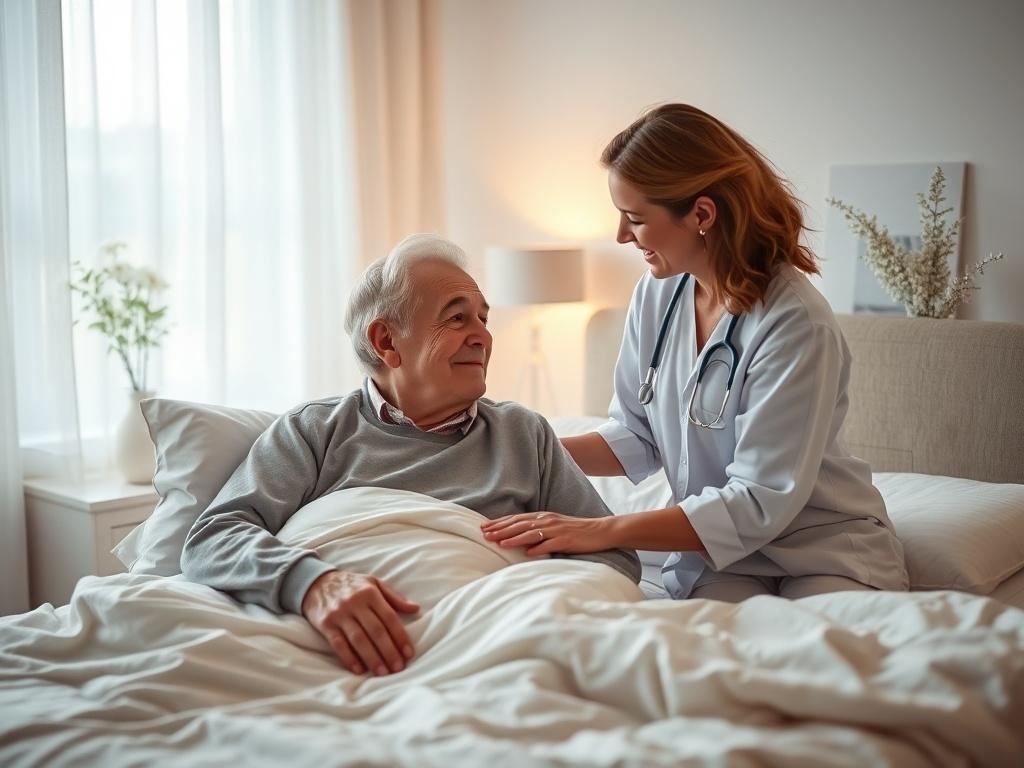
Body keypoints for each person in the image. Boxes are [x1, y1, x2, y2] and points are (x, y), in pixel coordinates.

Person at [481, 104, 909, 602]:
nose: (621, 235)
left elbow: (757, 498)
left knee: (805, 661)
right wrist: (519, 453)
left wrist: (601, 529)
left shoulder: (796, 323)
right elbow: (637, 436)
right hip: (723, 554)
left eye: (635, 218)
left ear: (702, 215)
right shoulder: (657, 293)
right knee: (699, 661)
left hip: (822, 547)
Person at [180, 234, 640, 677]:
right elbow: (213, 539)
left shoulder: (524, 434)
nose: (483, 337)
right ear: (386, 342)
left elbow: (616, 560)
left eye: (484, 318)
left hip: (497, 645)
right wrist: (312, 583)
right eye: (457, 318)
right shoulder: (314, 431)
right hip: (339, 655)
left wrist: (527, 604)